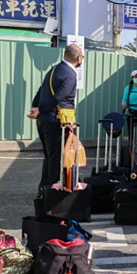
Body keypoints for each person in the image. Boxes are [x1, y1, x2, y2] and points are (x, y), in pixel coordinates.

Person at [28, 44, 82, 190]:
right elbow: (59, 97)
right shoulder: (70, 75)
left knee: (49, 156)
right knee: (57, 157)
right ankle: (52, 190)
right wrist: (41, 109)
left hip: (44, 120)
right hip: (56, 121)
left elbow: (41, 89)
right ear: (78, 58)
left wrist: (36, 107)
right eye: (81, 56)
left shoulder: (54, 70)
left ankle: (44, 188)